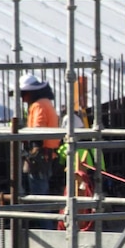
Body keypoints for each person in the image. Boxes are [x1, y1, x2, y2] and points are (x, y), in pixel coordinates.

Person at [19, 73, 60, 228]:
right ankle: (46, 228)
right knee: (40, 194)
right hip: (47, 155)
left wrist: (33, 148)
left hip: (40, 156)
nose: (22, 98)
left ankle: (47, 231)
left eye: (23, 94)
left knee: (39, 197)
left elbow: (38, 130)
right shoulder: (45, 103)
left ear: (30, 92)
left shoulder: (39, 105)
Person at [57, 113, 106, 232]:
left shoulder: (66, 148)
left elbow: (60, 162)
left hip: (76, 181)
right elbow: (102, 166)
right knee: (90, 206)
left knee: (72, 205)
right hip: (92, 180)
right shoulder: (93, 146)